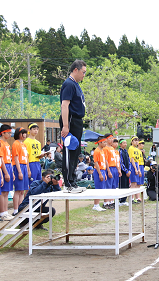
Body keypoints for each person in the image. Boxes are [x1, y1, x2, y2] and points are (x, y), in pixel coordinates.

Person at [60, 59, 87, 193]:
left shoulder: (76, 84)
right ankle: (67, 184)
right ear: (75, 70)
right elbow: (65, 105)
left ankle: (73, 181)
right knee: (69, 151)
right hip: (70, 120)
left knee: (76, 152)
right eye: (83, 72)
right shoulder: (69, 84)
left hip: (77, 120)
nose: (84, 75)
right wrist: (65, 125)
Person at [0, 125, 15, 221]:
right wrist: (6, 172)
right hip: (3, 167)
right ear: (3, 133)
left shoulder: (7, 144)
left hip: (8, 166)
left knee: (7, 191)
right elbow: (1, 159)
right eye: (8, 133)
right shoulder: (0, 144)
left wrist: (11, 172)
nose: (10, 135)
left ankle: (6, 211)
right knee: (3, 191)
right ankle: (2, 212)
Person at [12, 127, 30, 216]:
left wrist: (28, 169)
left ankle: (20, 208)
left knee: (22, 190)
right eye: (22, 133)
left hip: (24, 166)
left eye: (25, 133)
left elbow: (26, 158)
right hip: (18, 166)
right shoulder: (16, 143)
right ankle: (15, 209)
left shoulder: (24, 144)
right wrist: (19, 171)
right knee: (18, 190)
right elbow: (15, 158)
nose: (24, 135)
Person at [103, 134, 119, 209]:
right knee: (108, 185)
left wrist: (118, 169)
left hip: (114, 168)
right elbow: (106, 160)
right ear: (106, 139)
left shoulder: (112, 149)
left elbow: (115, 160)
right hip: (109, 167)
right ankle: (106, 202)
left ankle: (111, 201)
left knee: (113, 185)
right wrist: (108, 171)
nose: (112, 140)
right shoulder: (105, 148)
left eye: (112, 138)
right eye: (110, 138)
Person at [92, 136, 107, 212]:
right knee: (98, 188)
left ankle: (97, 204)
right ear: (100, 142)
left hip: (103, 170)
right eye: (104, 142)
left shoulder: (102, 151)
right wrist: (100, 174)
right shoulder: (97, 151)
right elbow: (96, 163)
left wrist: (105, 174)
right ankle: (96, 205)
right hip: (99, 171)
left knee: (102, 188)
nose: (105, 143)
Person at [128, 136, 142, 204]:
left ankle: (136, 198)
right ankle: (132, 198)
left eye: (137, 140)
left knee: (136, 183)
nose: (136, 141)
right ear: (132, 141)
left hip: (136, 164)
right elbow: (132, 159)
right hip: (132, 165)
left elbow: (138, 160)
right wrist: (135, 169)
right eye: (135, 140)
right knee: (133, 183)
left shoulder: (137, 149)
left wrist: (138, 169)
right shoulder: (131, 148)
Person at [118, 139, 131, 206]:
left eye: (126, 143)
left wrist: (129, 170)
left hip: (127, 171)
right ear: (120, 144)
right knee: (122, 185)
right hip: (123, 172)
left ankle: (124, 199)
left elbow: (129, 161)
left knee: (126, 185)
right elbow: (121, 162)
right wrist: (126, 171)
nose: (125, 144)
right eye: (123, 143)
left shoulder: (126, 151)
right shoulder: (119, 152)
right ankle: (121, 200)